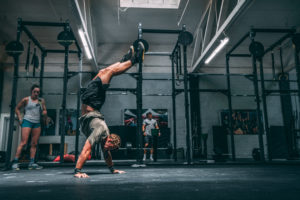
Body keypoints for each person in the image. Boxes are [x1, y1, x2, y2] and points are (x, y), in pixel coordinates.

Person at [74, 42, 145, 178]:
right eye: (109, 146)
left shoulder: (103, 139)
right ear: (110, 139)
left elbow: (100, 153)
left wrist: (112, 169)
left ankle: (125, 60)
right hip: (92, 102)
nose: (106, 148)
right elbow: (88, 149)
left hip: (90, 101)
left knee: (103, 72)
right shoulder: (101, 131)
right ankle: (134, 60)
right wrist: (78, 171)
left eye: (109, 148)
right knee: (109, 72)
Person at [12, 84, 47, 170]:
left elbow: (45, 110)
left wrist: (44, 113)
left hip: (37, 123)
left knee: (34, 144)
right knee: (23, 143)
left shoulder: (41, 101)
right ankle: (15, 162)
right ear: (31, 92)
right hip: (27, 121)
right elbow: (17, 108)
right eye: (35, 92)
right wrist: (20, 118)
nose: (36, 93)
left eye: (38, 92)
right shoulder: (26, 100)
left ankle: (31, 163)